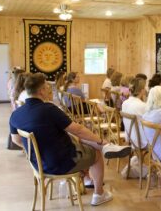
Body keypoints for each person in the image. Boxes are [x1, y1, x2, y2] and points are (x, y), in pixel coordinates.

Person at [9, 73, 132, 206]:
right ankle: (99, 193)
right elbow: (77, 129)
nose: (48, 90)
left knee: (79, 141)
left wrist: (39, 150)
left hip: (38, 165)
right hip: (60, 163)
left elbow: (17, 141)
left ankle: (105, 148)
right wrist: (100, 141)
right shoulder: (49, 109)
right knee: (95, 153)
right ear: (41, 91)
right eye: (46, 87)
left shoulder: (16, 114)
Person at [122, 78, 148, 149]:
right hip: (141, 141)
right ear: (142, 91)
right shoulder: (142, 106)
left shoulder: (124, 103)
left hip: (130, 138)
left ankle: (137, 158)